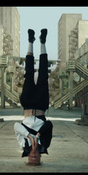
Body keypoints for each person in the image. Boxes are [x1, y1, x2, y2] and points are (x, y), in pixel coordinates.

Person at [14, 28, 53, 165]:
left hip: (28, 104)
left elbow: (16, 126)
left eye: (31, 159)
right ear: (41, 157)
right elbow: (49, 125)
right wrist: (38, 136)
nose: (34, 157)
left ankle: (30, 41)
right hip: (42, 105)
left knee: (28, 74)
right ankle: (42, 43)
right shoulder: (45, 144)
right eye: (36, 159)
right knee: (43, 75)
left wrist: (29, 137)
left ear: (28, 156)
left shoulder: (23, 143)